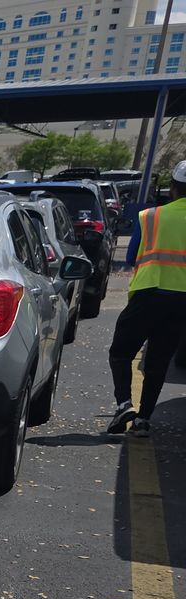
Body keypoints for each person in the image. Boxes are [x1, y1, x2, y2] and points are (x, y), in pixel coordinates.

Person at [107, 160, 186, 438]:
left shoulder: (150, 216)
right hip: (181, 301)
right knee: (159, 360)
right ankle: (143, 420)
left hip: (148, 292)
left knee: (120, 352)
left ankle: (124, 404)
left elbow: (131, 258)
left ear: (173, 189)